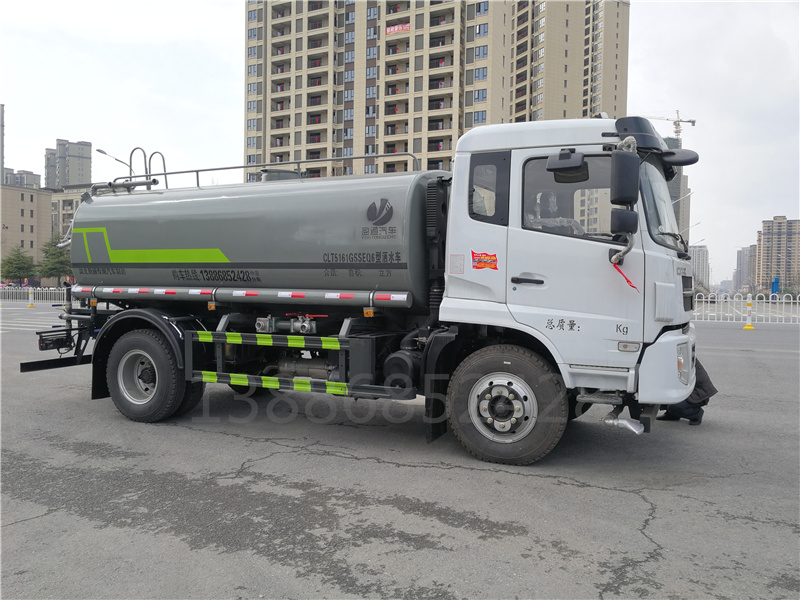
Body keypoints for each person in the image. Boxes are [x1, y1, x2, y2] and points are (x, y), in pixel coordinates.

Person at [657, 359, 718, 425]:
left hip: (698, 392)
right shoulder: (673, 354)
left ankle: (696, 414)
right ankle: (672, 414)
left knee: (675, 406)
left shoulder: (681, 355)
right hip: (687, 388)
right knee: (660, 393)